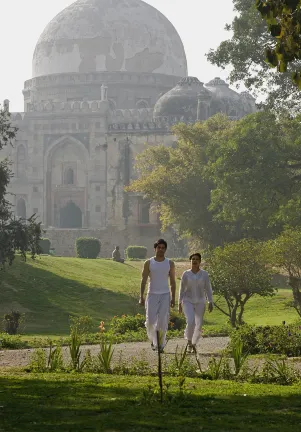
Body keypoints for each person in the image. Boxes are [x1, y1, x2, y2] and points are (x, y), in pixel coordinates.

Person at [139, 239, 176, 353]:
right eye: (158, 247)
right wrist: (141, 296)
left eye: (163, 248)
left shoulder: (170, 263)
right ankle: (153, 340)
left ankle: (160, 344)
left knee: (162, 321)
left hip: (165, 295)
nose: (161, 249)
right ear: (155, 249)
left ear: (165, 249)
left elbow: (173, 282)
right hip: (152, 294)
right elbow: (144, 280)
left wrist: (173, 297)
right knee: (150, 321)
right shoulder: (149, 263)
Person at [178, 253, 213, 353]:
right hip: (187, 300)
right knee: (190, 321)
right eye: (193, 259)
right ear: (190, 261)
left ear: (200, 262)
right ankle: (189, 342)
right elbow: (181, 289)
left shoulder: (204, 274)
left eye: (197, 259)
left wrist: (210, 301)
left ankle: (194, 343)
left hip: (200, 301)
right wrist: (179, 303)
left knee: (199, 323)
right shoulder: (186, 274)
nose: (195, 261)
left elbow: (208, 289)